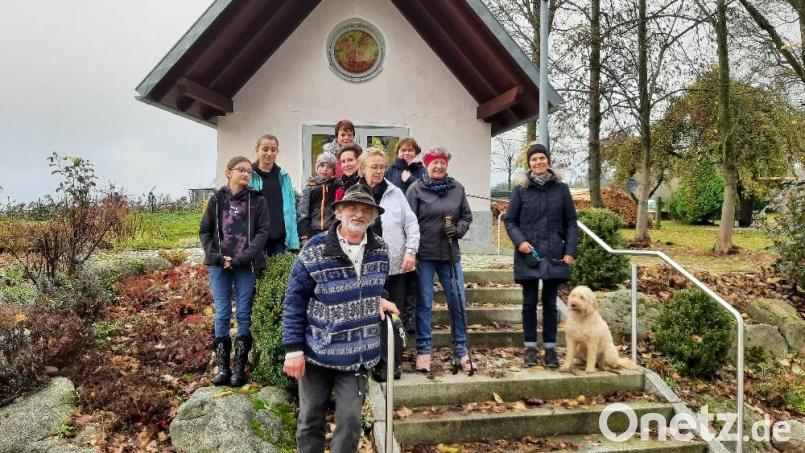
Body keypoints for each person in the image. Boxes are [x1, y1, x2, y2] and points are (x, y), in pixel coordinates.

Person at [282, 184, 399, 453]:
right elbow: (294, 300)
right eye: (352, 207)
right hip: (317, 352)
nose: (359, 214)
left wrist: (378, 297)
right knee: (310, 420)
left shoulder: (380, 249)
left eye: (366, 209)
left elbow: (373, 284)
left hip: (357, 353)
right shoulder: (314, 249)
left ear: (373, 216)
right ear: (339, 211)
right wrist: (293, 350)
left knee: (350, 422)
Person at [504, 143, 578, 368]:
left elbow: (571, 222)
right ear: (529, 163)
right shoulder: (520, 190)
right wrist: (520, 241)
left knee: (550, 304)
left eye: (541, 158)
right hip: (529, 255)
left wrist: (570, 251)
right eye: (534, 159)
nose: (538, 162)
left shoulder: (561, 189)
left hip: (554, 254)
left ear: (548, 161)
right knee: (528, 303)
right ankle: (529, 348)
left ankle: (550, 349)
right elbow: (510, 220)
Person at [200, 156, 270, 387]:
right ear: (228, 172)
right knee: (221, 313)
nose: (246, 174)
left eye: (249, 172)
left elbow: (262, 233)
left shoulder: (257, 200)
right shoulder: (216, 199)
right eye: (241, 170)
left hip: (246, 266)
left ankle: (239, 369)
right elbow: (205, 232)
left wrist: (241, 258)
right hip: (219, 266)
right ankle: (223, 368)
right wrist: (217, 258)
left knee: (243, 313)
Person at [405, 146, 473, 373]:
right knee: (425, 303)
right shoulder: (416, 189)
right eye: (434, 162)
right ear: (426, 164)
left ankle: (461, 349)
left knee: (458, 300)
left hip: (450, 254)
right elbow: (409, 222)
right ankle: (424, 350)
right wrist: (411, 251)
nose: (439, 165)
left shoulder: (457, 188)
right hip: (425, 255)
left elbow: (466, 216)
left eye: (442, 162)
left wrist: (458, 229)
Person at [359, 148, 419, 381]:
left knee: (394, 316)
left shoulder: (396, 193)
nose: (378, 171)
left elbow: (411, 225)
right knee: (368, 314)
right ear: (363, 168)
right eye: (373, 166)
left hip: (395, 267)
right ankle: (369, 361)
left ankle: (392, 363)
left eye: (382, 167)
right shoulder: (355, 193)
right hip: (364, 269)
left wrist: (410, 252)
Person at [384, 137, 426, 332]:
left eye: (411, 150)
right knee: (400, 277)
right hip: (396, 230)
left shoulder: (420, 171)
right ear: (397, 152)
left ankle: (410, 316)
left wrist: (410, 180)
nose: (407, 153)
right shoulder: (390, 171)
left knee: (413, 277)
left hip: (416, 228)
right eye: (403, 150)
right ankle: (396, 319)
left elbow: (426, 191)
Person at [250, 134, 300, 255]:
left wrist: (293, 239)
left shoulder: (283, 176)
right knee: (256, 273)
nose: (269, 153)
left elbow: (291, 209)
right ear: (257, 150)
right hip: (255, 237)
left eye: (273, 150)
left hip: (279, 237)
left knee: (278, 272)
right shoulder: (248, 175)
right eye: (265, 149)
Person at [298, 151, 337, 246]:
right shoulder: (310, 187)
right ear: (317, 168)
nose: (325, 169)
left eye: (329, 167)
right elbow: (303, 213)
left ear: (334, 170)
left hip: (331, 231)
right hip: (313, 231)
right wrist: (304, 236)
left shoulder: (336, 185)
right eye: (322, 165)